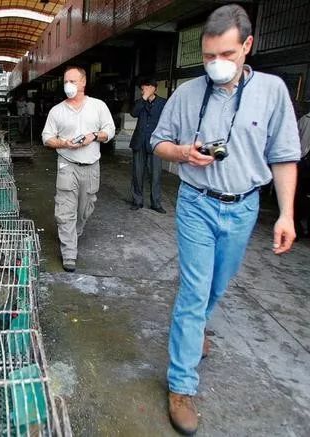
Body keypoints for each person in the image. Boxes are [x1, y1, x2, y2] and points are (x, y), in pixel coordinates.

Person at [151, 5, 301, 435]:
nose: (216, 64)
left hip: (245, 207)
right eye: (209, 56)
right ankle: (181, 385)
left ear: (247, 46)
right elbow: (158, 142)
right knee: (195, 291)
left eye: (227, 55)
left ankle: (195, 332)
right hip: (197, 202)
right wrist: (182, 153)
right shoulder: (186, 95)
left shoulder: (272, 92)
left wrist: (286, 214)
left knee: (218, 283)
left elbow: (284, 156)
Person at [42, 66, 115, 272]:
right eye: (66, 82)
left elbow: (110, 130)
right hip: (67, 164)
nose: (68, 86)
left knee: (85, 208)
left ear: (83, 82)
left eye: (73, 81)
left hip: (91, 166)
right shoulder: (57, 111)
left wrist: (94, 136)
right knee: (65, 210)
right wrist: (64, 143)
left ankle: (75, 231)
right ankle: (69, 251)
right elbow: (47, 138)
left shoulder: (98, 106)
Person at [130, 78, 167, 213]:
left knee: (155, 175)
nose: (143, 90)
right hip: (139, 142)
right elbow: (134, 113)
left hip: (155, 143)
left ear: (154, 89)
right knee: (137, 174)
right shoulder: (139, 102)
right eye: (142, 88)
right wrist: (144, 98)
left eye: (147, 87)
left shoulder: (164, 103)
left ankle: (156, 203)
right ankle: (137, 201)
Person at [295, 111, 310, 237]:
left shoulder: (305, 118)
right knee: (299, 194)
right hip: (303, 161)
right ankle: (297, 225)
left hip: (303, 159)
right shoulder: (305, 119)